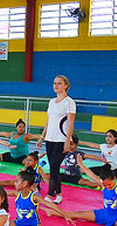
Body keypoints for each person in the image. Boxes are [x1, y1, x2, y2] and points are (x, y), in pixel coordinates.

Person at [9, 168, 74, 226]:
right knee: (1, 223)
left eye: (16, 181)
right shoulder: (17, 193)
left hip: (31, 225)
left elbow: (49, 204)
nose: (14, 183)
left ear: (24, 184)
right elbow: (3, 193)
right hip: (18, 223)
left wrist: (64, 214)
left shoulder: (34, 197)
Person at [36, 75, 76, 204]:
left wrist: (67, 141)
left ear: (66, 86)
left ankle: (50, 193)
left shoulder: (69, 102)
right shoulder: (51, 102)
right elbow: (49, 120)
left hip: (61, 139)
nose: (56, 85)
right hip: (50, 139)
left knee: (54, 165)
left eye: (59, 83)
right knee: (54, 168)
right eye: (54, 83)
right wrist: (42, 137)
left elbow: (70, 123)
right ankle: (58, 194)